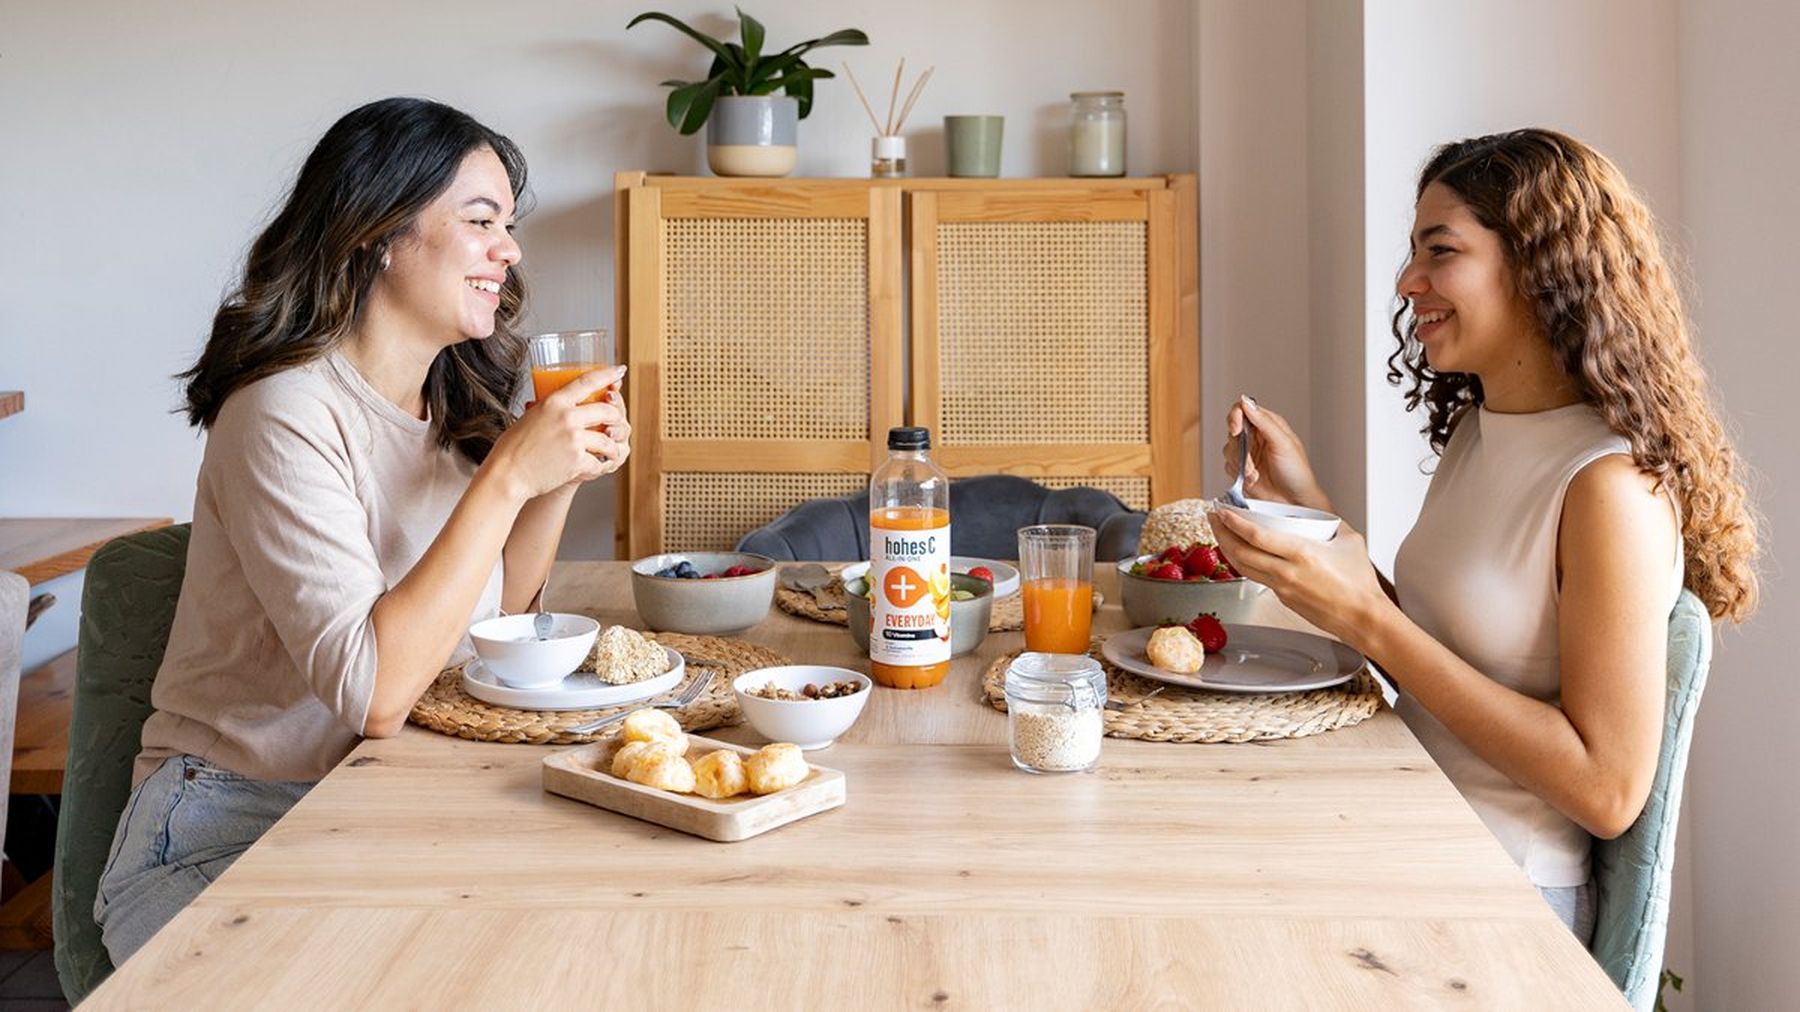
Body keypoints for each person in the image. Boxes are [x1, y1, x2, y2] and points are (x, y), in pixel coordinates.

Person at [94, 97, 631, 962]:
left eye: (510, 225)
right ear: (378, 232)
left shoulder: (447, 406)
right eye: (482, 220)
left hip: (390, 807)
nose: (511, 250)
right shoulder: (282, 414)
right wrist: (508, 475)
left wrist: (558, 475)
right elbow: (376, 695)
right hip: (237, 827)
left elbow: (502, 619)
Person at [1211, 128, 1759, 942]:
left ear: (1542, 267)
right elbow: (1441, 651)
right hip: (1417, 846)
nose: (1407, 282)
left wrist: (1366, 618)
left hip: (1503, 904)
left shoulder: (1608, 489)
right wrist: (1308, 507)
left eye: (1441, 251)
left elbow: (1609, 790)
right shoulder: (1485, 429)